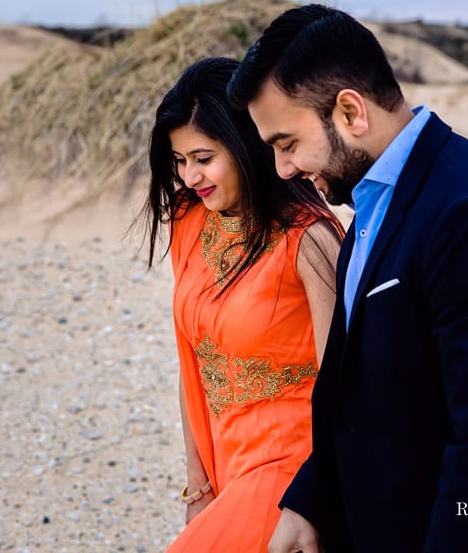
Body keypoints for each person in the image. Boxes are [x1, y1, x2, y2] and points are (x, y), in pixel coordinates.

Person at [227, 5, 468, 552]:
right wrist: (311, 499)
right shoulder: (371, 204)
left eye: (287, 144)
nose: (284, 169)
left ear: (351, 113)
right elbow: (358, 393)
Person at [141, 57, 342, 552]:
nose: (190, 176)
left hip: (291, 466)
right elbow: (193, 363)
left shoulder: (310, 243)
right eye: (180, 160)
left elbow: (348, 387)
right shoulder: (189, 222)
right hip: (224, 459)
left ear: (246, 144)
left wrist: (314, 499)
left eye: (204, 158)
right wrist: (199, 485)